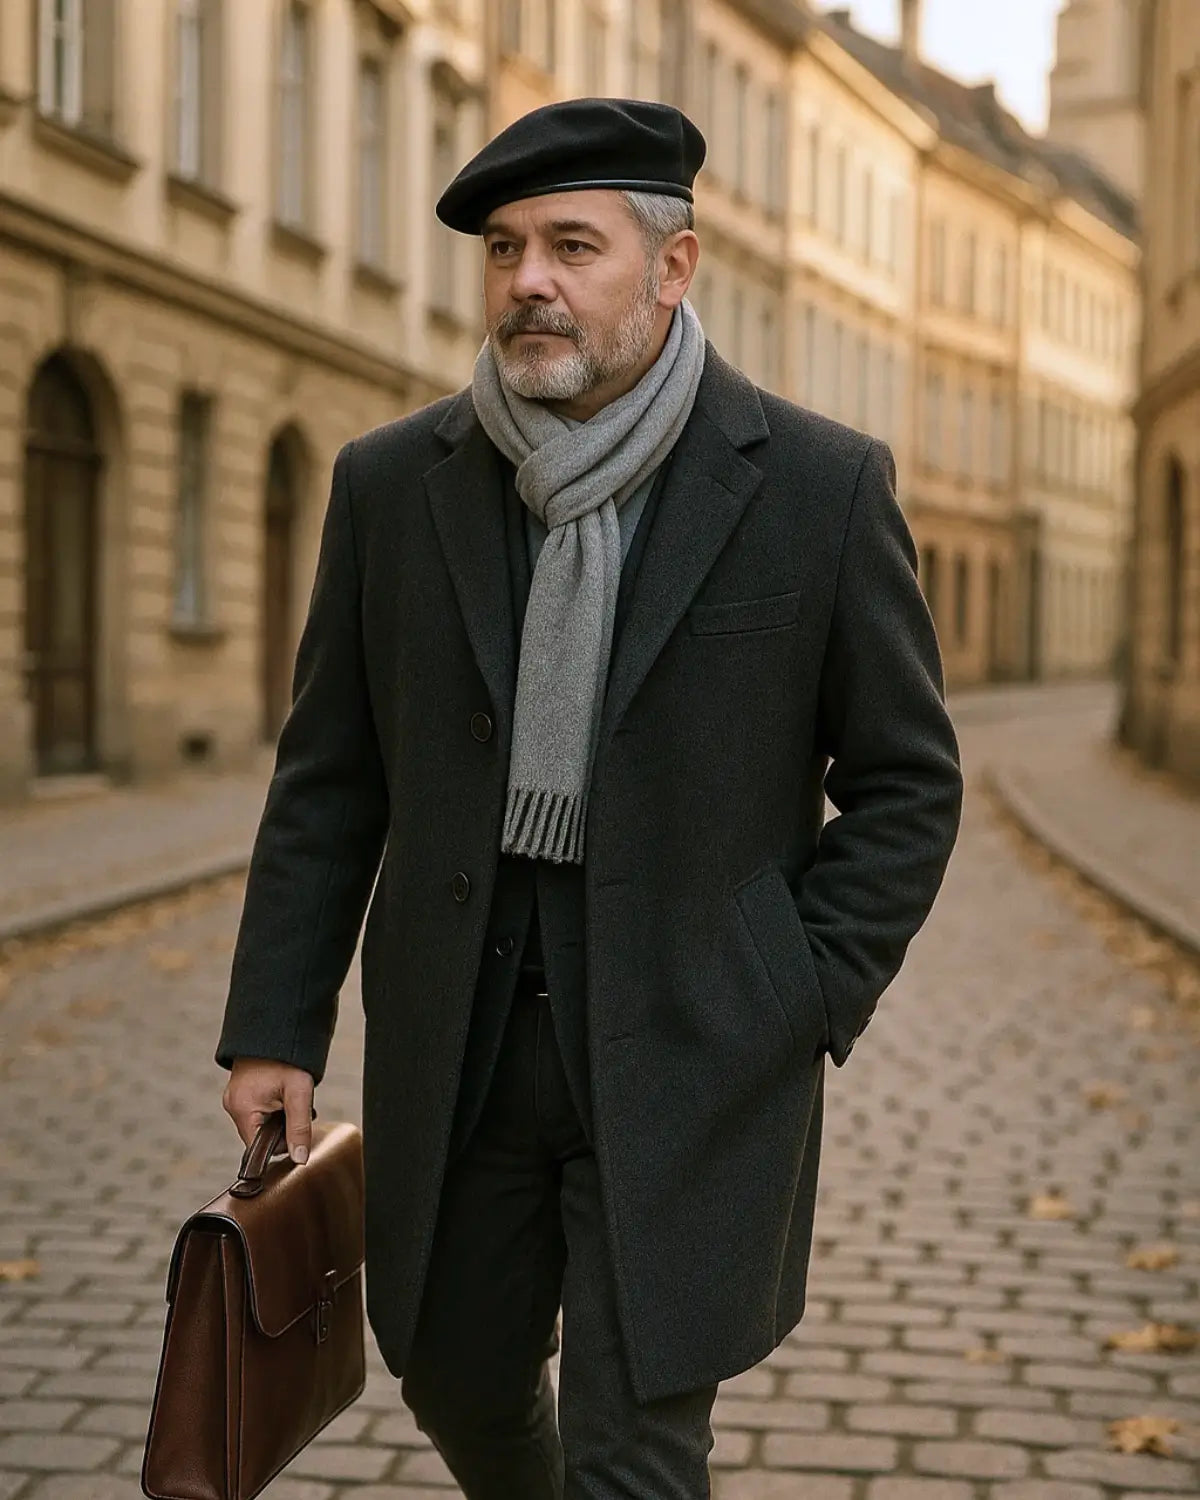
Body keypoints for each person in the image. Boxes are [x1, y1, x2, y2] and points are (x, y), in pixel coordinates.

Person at [217, 96, 963, 1500]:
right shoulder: (394, 486)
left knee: (641, 1452)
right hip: (464, 1046)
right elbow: (329, 781)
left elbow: (908, 781)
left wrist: (796, 989)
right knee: (457, 1379)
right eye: (505, 251)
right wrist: (275, 1026)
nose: (530, 283)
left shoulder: (815, 487)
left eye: (572, 245)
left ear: (671, 269)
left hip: (693, 1053)